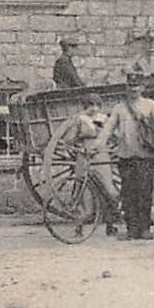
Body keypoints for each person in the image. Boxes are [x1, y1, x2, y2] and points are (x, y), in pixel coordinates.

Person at [103, 80, 154, 240]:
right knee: (128, 193)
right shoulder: (119, 107)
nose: (133, 89)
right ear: (127, 89)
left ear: (142, 88)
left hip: (144, 156)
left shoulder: (151, 105)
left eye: (137, 86)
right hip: (125, 156)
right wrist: (98, 144)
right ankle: (132, 228)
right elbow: (108, 128)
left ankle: (145, 228)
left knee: (144, 192)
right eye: (130, 87)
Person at [59, 93, 120, 236]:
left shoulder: (104, 120)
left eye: (96, 105)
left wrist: (114, 147)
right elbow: (68, 141)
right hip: (84, 159)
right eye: (90, 105)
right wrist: (77, 149)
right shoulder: (79, 120)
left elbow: (115, 136)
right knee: (84, 195)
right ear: (85, 106)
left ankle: (110, 225)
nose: (93, 109)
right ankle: (79, 229)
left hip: (101, 158)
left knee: (108, 191)